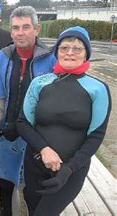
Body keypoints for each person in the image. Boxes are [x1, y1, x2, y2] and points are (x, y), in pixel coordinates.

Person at [17, 26, 111, 215]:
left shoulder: (98, 89)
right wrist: (45, 150)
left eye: (77, 48)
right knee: (33, 208)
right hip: (35, 164)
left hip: (71, 170)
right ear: (57, 52)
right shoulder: (40, 83)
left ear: (86, 54)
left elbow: (96, 136)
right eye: (64, 47)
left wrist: (68, 169)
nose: (70, 52)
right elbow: (23, 123)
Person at [0, 6, 56, 216]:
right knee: (6, 183)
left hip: (38, 136)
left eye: (26, 27)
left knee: (32, 188)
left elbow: (53, 102)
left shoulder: (51, 60)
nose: (20, 33)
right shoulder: (2, 57)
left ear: (37, 29)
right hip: (8, 133)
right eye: (16, 28)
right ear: (11, 30)